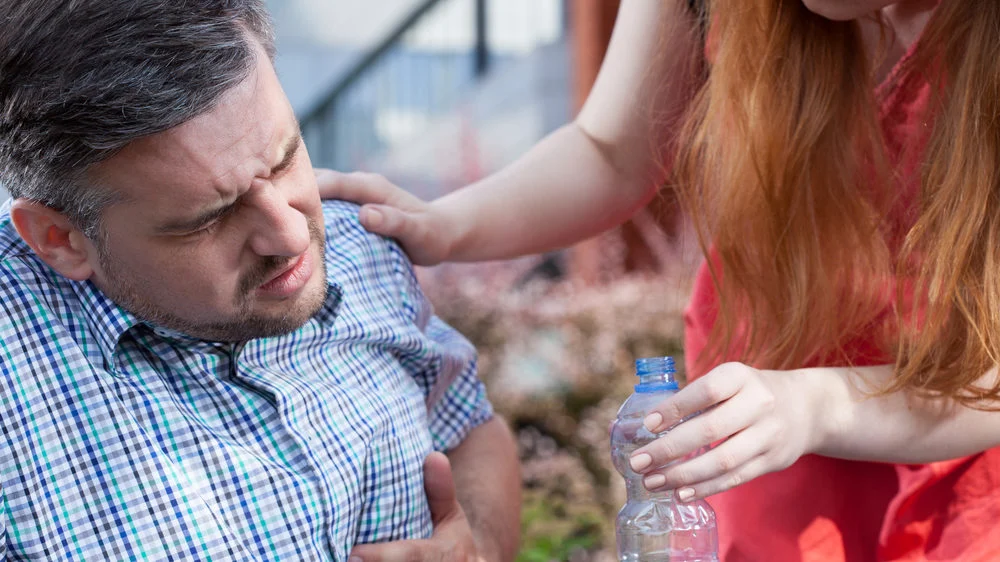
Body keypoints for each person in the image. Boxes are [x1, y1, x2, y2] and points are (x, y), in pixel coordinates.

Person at [317, 0, 1000, 559]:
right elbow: (612, 153)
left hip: (961, 436)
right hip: (766, 436)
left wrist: (820, 405)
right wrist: (444, 225)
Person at [0, 1, 520, 561]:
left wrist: (480, 550)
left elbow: (469, 426)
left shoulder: (359, 243)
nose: (293, 235)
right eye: (210, 218)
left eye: (286, 159)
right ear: (61, 238)